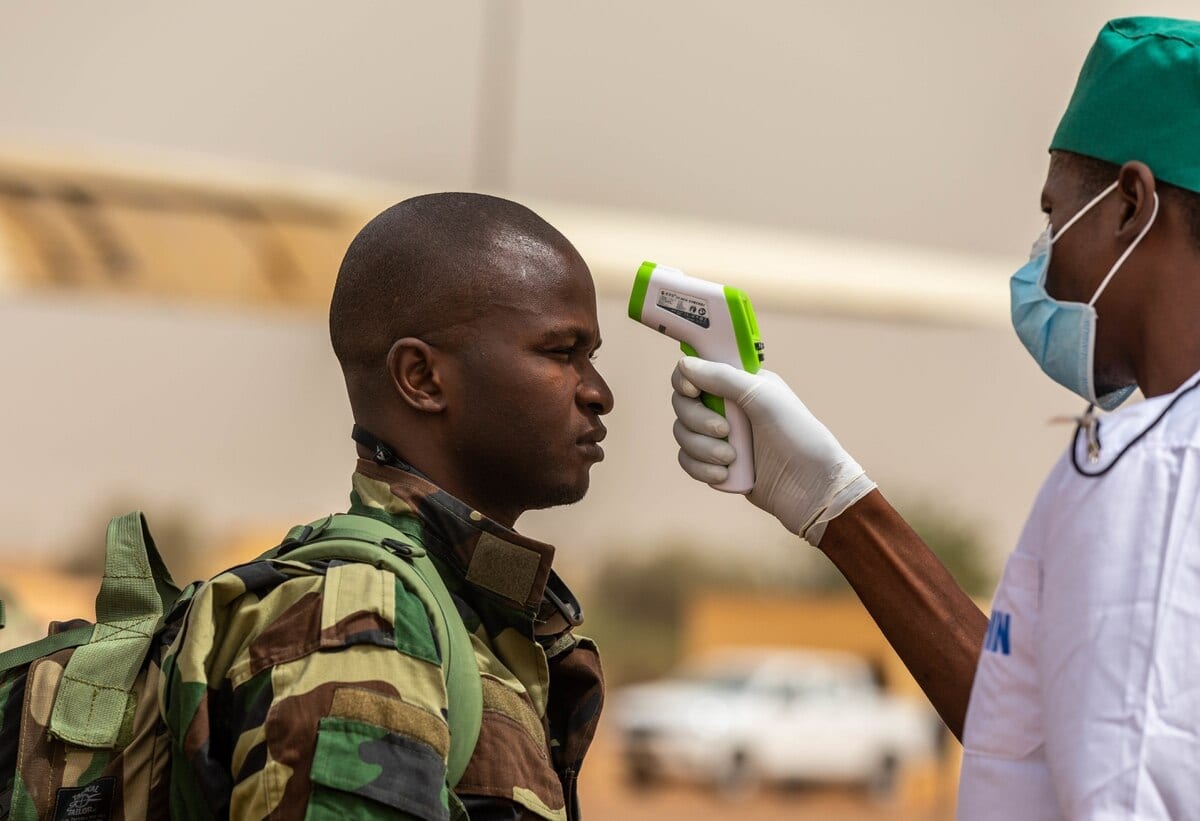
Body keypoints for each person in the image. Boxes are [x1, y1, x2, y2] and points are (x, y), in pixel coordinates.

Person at [667, 16, 1200, 820]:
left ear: (1131, 205)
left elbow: (1124, 791)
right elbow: (1027, 739)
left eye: (1056, 220)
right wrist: (834, 502)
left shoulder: (1161, 468)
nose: (1043, 259)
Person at [162, 193, 613, 819]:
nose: (599, 392)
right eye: (562, 353)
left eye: (592, 357)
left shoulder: (473, 613)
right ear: (422, 378)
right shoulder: (363, 623)